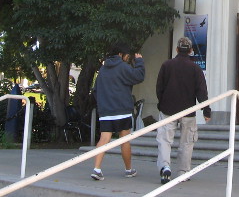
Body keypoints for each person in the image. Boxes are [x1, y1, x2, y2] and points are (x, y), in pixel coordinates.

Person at [156, 37, 211, 184]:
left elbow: (159, 88)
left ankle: (165, 167)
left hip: (168, 109)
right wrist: (206, 110)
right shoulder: (195, 68)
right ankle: (183, 171)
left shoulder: (166, 65)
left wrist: (161, 104)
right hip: (188, 111)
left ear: (177, 49)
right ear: (191, 51)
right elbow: (201, 91)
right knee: (187, 142)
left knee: (164, 140)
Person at [90, 42, 145, 181]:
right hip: (122, 110)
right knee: (125, 140)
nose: (127, 58)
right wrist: (139, 61)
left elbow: (95, 90)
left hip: (106, 111)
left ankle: (96, 169)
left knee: (104, 138)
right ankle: (128, 170)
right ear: (121, 55)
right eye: (127, 56)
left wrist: (103, 103)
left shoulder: (103, 69)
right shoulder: (123, 67)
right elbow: (139, 76)